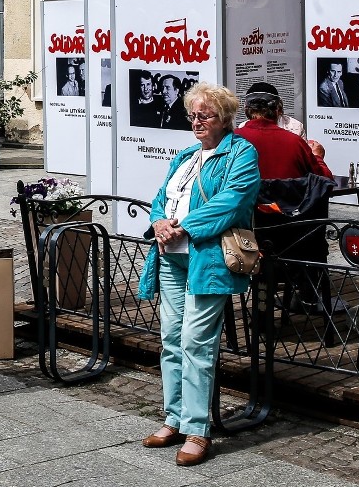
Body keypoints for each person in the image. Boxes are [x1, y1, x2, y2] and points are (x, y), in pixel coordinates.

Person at [138, 82, 260, 466]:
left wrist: (184, 227)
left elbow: (233, 200)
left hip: (207, 258)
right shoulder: (187, 155)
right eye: (193, 114)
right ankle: (173, 418)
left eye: (205, 115)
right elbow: (162, 196)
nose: (196, 122)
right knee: (171, 339)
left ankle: (197, 429)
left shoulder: (241, 152)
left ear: (224, 118)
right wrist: (159, 221)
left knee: (196, 343)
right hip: (171, 256)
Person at [236, 92, 333, 180]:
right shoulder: (295, 142)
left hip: (247, 199)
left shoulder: (232, 139)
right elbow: (325, 180)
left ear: (246, 111)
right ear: (278, 111)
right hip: (288, 199)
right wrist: (317, 157)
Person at [237, 82, 306, 139]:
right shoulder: (242, 127)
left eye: (264, 110)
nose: (260, 117)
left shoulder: (295, 128)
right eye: (256, 110)